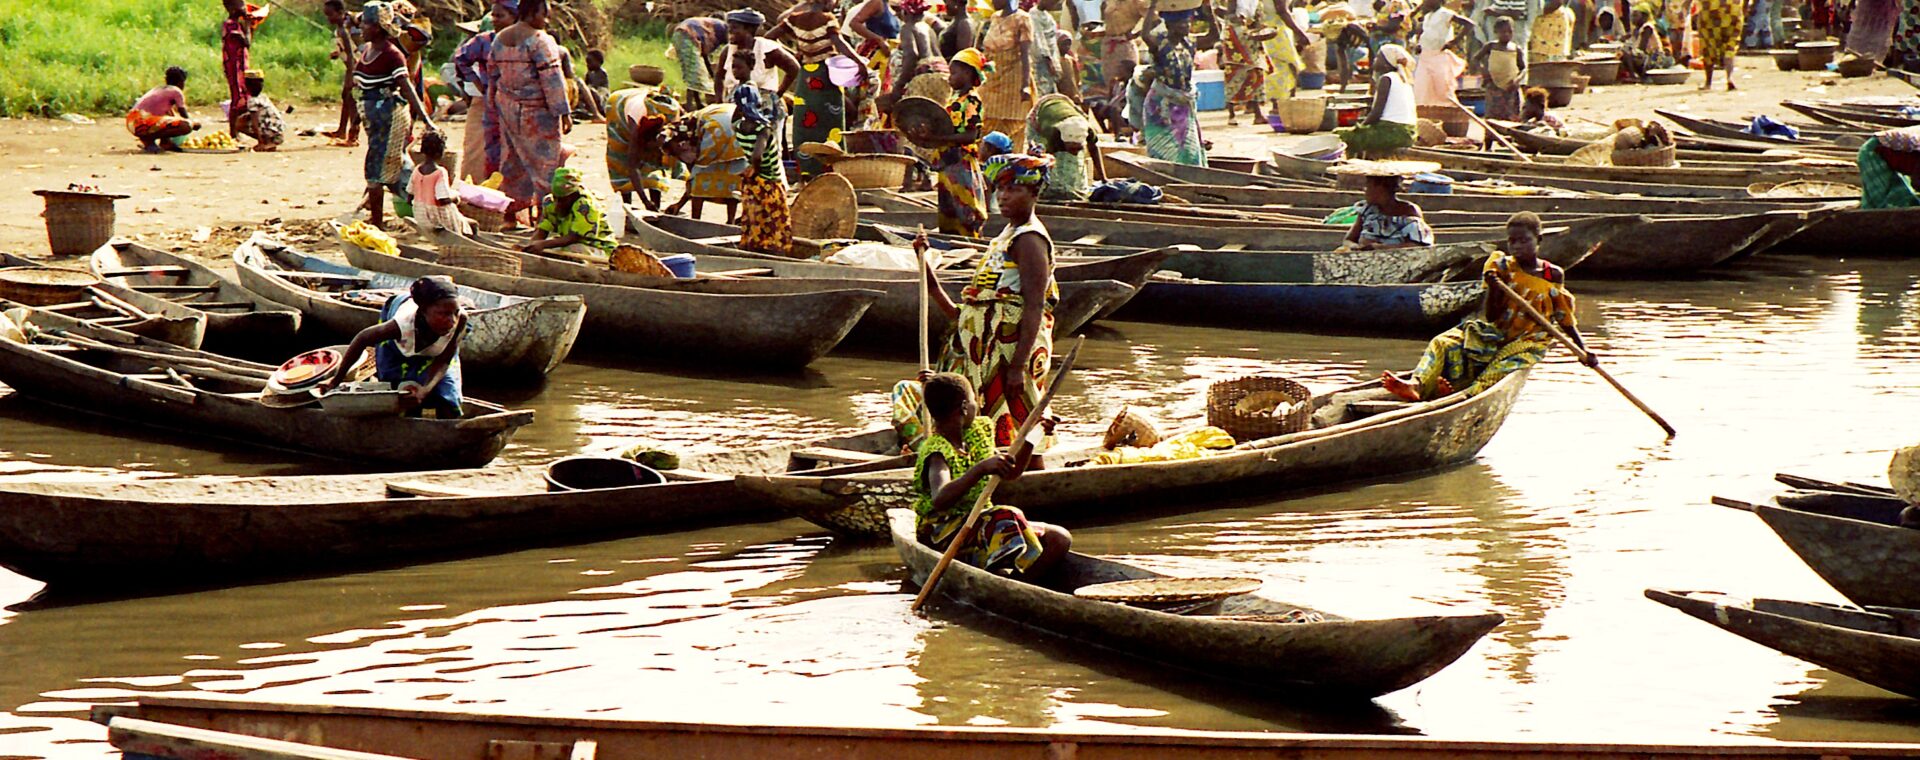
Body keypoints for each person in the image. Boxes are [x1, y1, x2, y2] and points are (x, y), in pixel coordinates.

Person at [910, 153, 1061, 447]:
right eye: (1000, 189)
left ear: (1033, 193)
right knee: (981, 419)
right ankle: (980, 468)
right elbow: (962, 313)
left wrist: (1018, 366)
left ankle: (1029, 474)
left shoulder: (1030, 240)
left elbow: (1034, 306)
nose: (1003, 197)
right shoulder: (1004, 236)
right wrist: (925, 267)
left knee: (1019, 419)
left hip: (1011, 348)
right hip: (982, 350)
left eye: (1013, 189)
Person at [1382, 211, 1592, 402]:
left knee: (1495, 370)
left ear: (1539, 240)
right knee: (1442, 342)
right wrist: (1493, 288)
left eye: (1524, 241)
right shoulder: (1501, 268)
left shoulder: (1552, 274)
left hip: (1528, 340)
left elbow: (1564, 317)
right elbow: (1491, 316)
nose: (1517, 246)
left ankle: (1460, 397)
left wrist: (1583, 351)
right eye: (1512, 241)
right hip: (1496, 332)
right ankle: (1417, 384)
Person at [911, 372, 1071, 580]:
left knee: (1059, 538)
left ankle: (1018, 584)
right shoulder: (937, 451)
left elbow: (1011, 472)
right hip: (945, 531)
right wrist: (980, 469)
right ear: (963, 407)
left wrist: (1033, 437)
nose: (977, 406)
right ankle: (1002, 577)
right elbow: (940, 498)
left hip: (980, 523)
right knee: (1005, 515)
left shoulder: (973, 438)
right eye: (973, 400)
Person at [321, 275, 469, 419]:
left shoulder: (460, 321)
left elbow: (444, 360)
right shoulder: (399, 326)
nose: (451, 321)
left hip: (437, 354)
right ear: (423, 311)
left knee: (448, 393)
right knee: (398, 391)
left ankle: (446, 427)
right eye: (443, 314)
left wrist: (425, 390)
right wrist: (336, 380)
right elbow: (362, 339)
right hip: (398, 346)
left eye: (455, 313)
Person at [356, 1, 439, 228]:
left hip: (391, 118)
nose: (361, 27)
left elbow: (407, 88)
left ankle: (380, 222)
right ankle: (429, 205)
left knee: (379, 169)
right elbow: (362, 89)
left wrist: (425, 118)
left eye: (366, 23)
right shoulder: (367, 52)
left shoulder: (392, 55)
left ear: (379, 27)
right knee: (391, 170)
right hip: (374, 120)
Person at [488, 0, 572, 221]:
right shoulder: (541, 40)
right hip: (538, 114)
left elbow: (493, 76)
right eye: (545, 15)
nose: (546, 20)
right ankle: (545, 217)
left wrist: (494, 104)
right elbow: (553, 81)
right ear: (534, 12)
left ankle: (510, 217)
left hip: (507, 108)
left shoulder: (500, 39)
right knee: (545, 165)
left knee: (513, 161)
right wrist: (564, 113)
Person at [767, 0, 864, 176]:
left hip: (806, 78)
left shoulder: (795, 19)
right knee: (830, 123)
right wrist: (859, 62)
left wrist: (794, 54)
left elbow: (769, 37)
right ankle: (830, 170)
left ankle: (805, 172)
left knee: (804, 123)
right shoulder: (828, 19)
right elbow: (840, 44)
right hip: (826, 77)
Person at [906, 48, 989, 237]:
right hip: (947, 162)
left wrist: (937, 139)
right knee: (948, 207)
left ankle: (972, 242)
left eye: (954, 73)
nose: (949, 78)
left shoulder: (972, 101)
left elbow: (971, 135)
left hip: (961, 162)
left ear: (968, 73)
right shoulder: (956, 98)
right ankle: (953, 243)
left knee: (967, 208)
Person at [716, 9, 800, 177]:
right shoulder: (728, 51)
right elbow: (719, 77)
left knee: (768, 150)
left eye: (735, 28)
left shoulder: (766, 48)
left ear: (748, 30)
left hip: (765, 106)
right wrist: (720, 103)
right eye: (729, 28)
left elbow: (794, 68)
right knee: (739, 149)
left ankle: (774, 189)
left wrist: (778, 93)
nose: (730, 33)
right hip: (736, 107)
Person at [453, 2, 515, 182]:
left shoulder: (523, 41)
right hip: (488, 102)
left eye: (500, 16)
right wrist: (477, 84)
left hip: (516, 104)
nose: (495, 20)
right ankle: (476, 195)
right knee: (478, 150)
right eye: (494, 16)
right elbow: (460, 59)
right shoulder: (484, 41)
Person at [730, 85, 793, 255]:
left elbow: (734, 118)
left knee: (754, 221)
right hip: (769, 182)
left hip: (751, 184)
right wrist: (754, 168)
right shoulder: (763, 128)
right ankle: (775, 256)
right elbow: (758, 155)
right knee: (775, 224)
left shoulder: (738, 127)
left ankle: (752, 252)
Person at [662, 104, 750, 222]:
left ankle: (696, 221)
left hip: (717, 130)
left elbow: (695, 170)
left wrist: (679, 204)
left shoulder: (693, 126)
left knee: (699, 177)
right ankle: (731, 221)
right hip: (740, 135)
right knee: (733, 179)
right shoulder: (700, 115)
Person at [1143, 8, 1208, 166]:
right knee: (1164, 149)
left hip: (1183, 103)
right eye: (1182, 24)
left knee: (1189, 147)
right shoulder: (1160, 44)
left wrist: (1208, 9)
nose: (1186, 27)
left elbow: (1214, 36)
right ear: (1170, 26)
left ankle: (1189, 180)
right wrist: (1153, 6)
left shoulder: (1189, 43)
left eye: (1187, 23)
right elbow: (1144, 35)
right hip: (1161, 104)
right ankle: (1165, 178)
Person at [607, 86, 684, 210]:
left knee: (657, 162)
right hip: (618, 105)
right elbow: (632, 166)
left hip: (644, 106)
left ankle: (656, 204)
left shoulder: (673, 118)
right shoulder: (636, 130)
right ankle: (628, 205)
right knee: (621, 157)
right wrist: (645, 201)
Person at [1337, 43, 1418, 158]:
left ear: (1386, 63)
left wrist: (1359, 128)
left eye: (1379, 57)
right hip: (1409, 131)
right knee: (1359, 134)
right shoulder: (1403, 79)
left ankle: (1350, 164)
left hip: (1393, 132)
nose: (1375, 60)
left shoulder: (1387, 79)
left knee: (1341, 135)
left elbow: (1376, 113)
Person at [978, 0, 1037, 153]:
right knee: (985, 123)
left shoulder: (1022, 19)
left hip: (1012, 80)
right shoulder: (994, 17)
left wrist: (1025, 85)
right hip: (991, 80)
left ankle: (1010, 169)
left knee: (1011, 126)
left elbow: (1025, 55)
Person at [524, 166, 618, 254]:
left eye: (563, 200)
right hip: (571, 244)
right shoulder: (550, 202)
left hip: (597, 247)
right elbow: (543, 228)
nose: (558, 204)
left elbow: (575, 237)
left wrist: (543, 244)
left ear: (574, 195)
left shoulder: (586, 206)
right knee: (551, 248)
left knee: (572, 250)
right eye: (556, 198)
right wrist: (533, 244)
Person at [1342, 171, 1434, 249]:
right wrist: (1354, 247)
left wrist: (1381, 248)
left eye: (1369, 186)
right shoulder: (1367, 210)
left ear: (1381, 188)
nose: (1365, 190)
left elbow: (1419, 246)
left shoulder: (1409, 211)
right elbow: (1348, 240)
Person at [1029, 94, 1095, 201]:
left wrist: (1104, 178)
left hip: (1067, 107)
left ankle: (1074, 189)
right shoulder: (1051, 134)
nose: (1074, 152)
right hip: (1039, 115)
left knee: (1074, 164)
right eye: (1072, 149)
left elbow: (1094, 149)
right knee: (1053, 170)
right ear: (1063, 141)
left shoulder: (1088, 130)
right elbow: (1040, 159)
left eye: (1078, 148)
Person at [410, 130, 473, 235]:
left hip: (421, 216)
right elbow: (443, 199)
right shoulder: (440, 172)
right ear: (440, 152)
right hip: (438, 218)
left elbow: (409, 197)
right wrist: (456, 198)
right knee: (473, 225)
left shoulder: (416, 170)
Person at [126, 67, 200, 153]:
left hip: (132, 121)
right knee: (186, 126)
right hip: (141, 123)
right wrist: (193, 123)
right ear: (181, 82)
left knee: (170, 115)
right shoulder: (176, 91)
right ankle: (148, 141)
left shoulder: (158, 89)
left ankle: (166, 142)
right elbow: (182, 111)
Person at [1413, 0, 1472, 106]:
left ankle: (1448, 112)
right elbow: (1427, 34)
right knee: (1422, 87)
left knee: (1443, 88)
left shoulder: (1445, 13)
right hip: (1425, 57)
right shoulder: (1428, 17)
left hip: (1438, 56)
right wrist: (1419, 45)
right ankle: (1426, 112)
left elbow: (1469, 24)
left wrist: (1454, 42)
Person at [1218, 0, 1267, 126]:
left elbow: (1258, 20)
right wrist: (1244, 22)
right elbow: (1230, 16)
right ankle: (1232, 114)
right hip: (1236, 37)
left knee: (1256, 72)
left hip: (1251, 38)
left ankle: (1257, 113)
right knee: (1234, 73)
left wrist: (1258, 29)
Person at [324, 0, 363, 146]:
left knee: (351, 99)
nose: (329, 18)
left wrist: (350, 76)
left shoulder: (344, 30)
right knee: (346, 97)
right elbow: (348, 49)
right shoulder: (340, 28)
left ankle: (353, 136)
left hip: (355, 69)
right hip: (353, 67)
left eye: (330, 15)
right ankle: (342, 130)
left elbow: (353, 56)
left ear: (340, 13)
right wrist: (337, 53)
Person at [1470, 18, 1525, 123]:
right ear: (1496, 32)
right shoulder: (1490, 46)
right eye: (1503, 32)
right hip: (1493, 85)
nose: (1507, 34)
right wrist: (1483, 71)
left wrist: (1517, 80)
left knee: (1512, 115)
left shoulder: (1516, 49)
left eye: (1510, 31)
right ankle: (1490, 136)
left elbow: (1523, 68)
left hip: (1511, 87)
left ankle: (1510, 136)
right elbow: (1475, 59)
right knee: (1492, 115)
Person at [1260, 0, 1311, 113]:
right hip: (1277, 29)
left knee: (1276, 65)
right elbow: (1282, 11)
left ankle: (1283, 103)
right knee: (1284, 65)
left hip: (1268, 27)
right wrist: (1299, 32)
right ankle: (1282, 104)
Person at [670, 16, 731, 109]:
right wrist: (714, 77)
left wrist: (712, 74)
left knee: (693, 72)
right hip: (687, 35)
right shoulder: (723, 31)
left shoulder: (718, 27)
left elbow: (704, 55)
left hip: (680, 34)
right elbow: (706, 56)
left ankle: (696, 102)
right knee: (694, 73)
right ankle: (689, 104)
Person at [1858, 125, 1920, 209]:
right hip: (1874, 152)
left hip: (1892, 156)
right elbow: (1917, 181)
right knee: (1883, 197)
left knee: (1903, 194)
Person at [220, 0, 254, 140]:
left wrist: (248, 26)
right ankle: (233, 131)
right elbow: (246, 42)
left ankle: (239, 129)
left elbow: (248, 44)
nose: (244, 8)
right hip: (234, 67)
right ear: (231, 8)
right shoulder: (230, 26)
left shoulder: (238, 25)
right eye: (241, 5)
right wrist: (248, 26)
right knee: (237, 97)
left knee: (244, 96)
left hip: (241, 66)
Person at [1694, 0, 1742, 90]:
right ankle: (1729, 77)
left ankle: (1708, 83)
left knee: (1708, 44)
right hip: (1732, 8)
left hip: (1709, 9)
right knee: (1730, 43)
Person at [234, 71, 286, 152]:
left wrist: (260, 142)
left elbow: (255, 123)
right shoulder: (263, 97)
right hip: (278, 131)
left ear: (246, 85)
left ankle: (267, 142)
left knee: (239, 123)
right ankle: (270, 141)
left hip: (273, 132)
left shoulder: (253, 101)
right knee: (245, 118)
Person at [1621, 7, 1674, 76]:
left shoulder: (1647, 28)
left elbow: (1641, 48)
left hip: (1655, 58)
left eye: (1635, 16)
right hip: (1646, 57)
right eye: (1632, 16)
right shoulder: (1636, 30)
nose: (1632, 19)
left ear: (1644, 17)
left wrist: (1629, 51)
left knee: (1627, 55)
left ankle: (1634, 76)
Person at [1032, 0, 1068, 99]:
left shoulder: (1049, 18)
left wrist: (1055, 60)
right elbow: (1039, 40)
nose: (1053, 5)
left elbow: (1053, 41)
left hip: (1052, 58)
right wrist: (1048, 60)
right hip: (1041, 61)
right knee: (1041, 91)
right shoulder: (1033, 16)